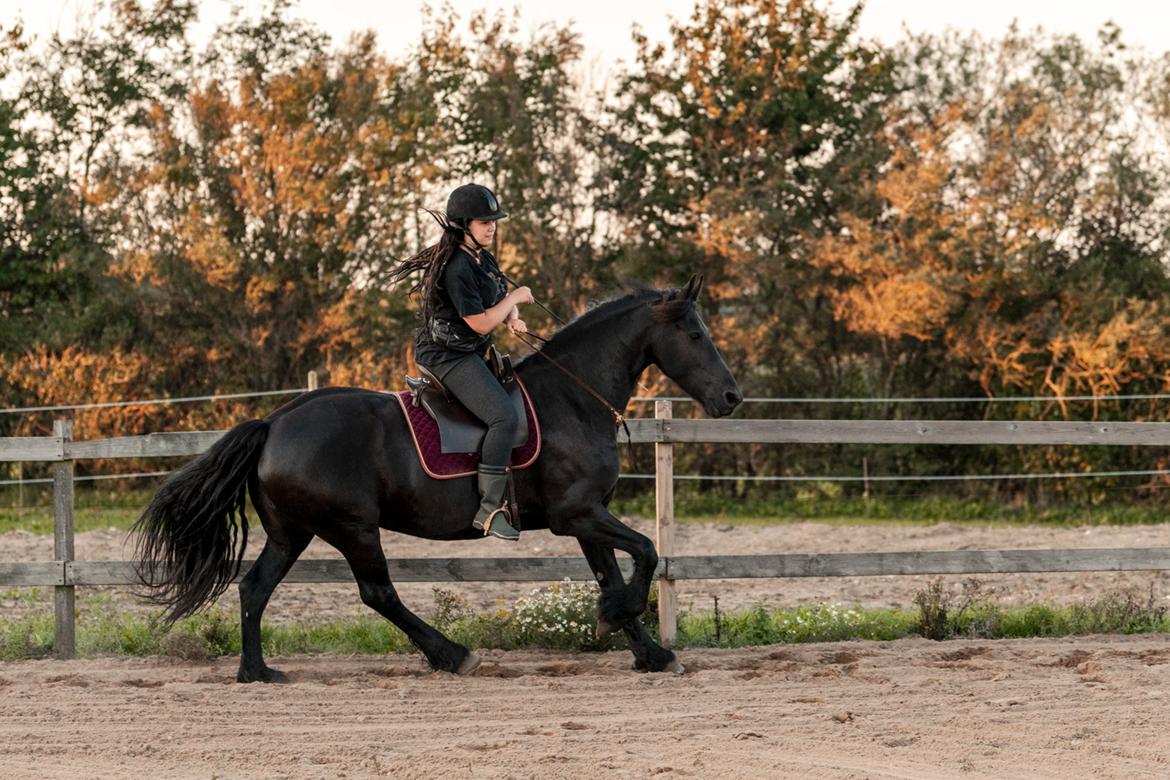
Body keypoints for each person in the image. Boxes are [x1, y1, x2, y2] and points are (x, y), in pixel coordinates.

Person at [389, 183, 534, 541]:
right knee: (503, 416)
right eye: (484, 222)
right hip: (446, 355)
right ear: (462, 225)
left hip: (469, 348)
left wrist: (513, 313)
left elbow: (497, 297)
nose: (492, 227)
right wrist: (514, 298)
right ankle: (489, 511)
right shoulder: (456, 267)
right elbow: (480, 321)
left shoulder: (482, 257)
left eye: (493, 221)